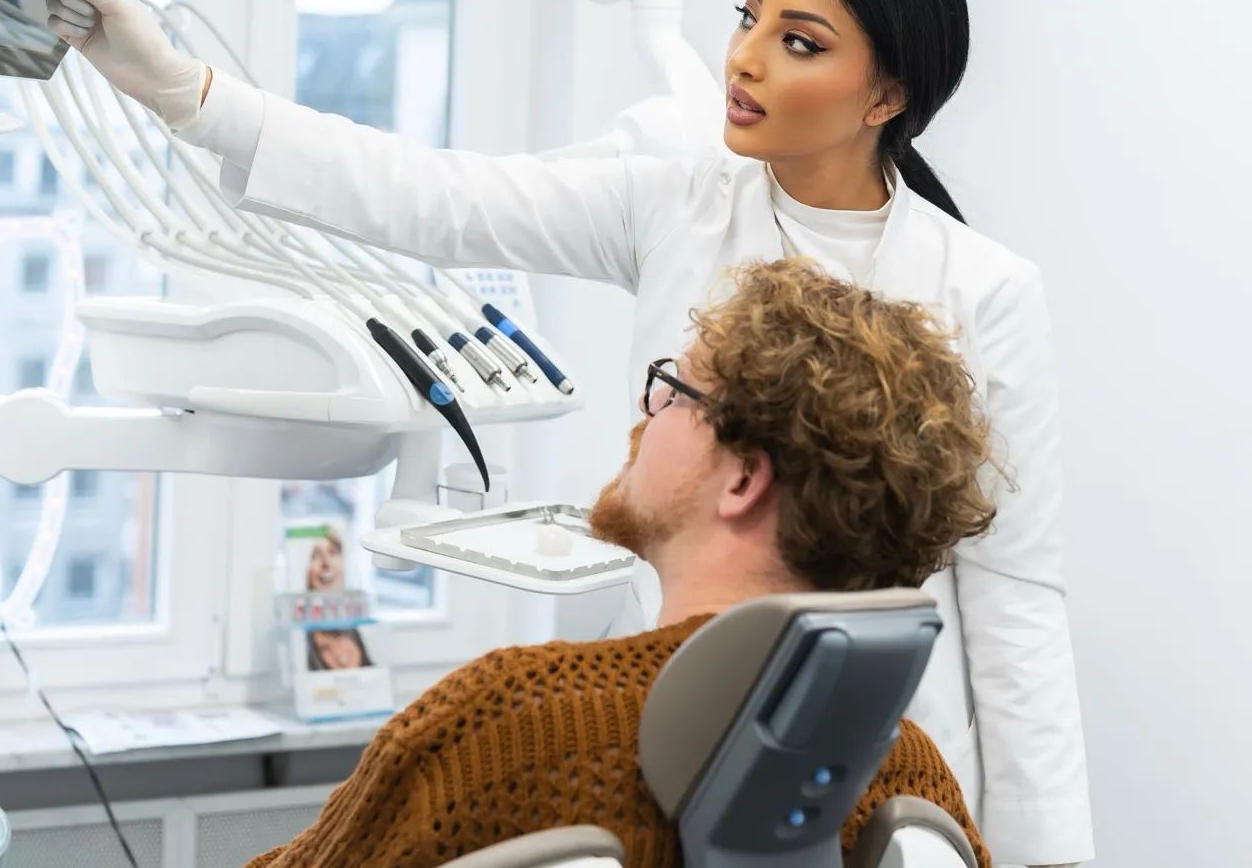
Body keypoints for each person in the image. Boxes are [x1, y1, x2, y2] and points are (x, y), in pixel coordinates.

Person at [45, 0, 1091, 867]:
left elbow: (1012, 602)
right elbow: (439, 196)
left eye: (798, 40)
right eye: (747, 17)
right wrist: (183, 92)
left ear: (887, 94)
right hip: (663, 720)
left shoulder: (981, 289)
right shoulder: (676, 202)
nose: (744, 57)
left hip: (867, 760)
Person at [246, 258, 996, 868]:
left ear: (742, 479)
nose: (644, 416)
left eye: (672, 393)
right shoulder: (912, 779)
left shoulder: (511, 727)